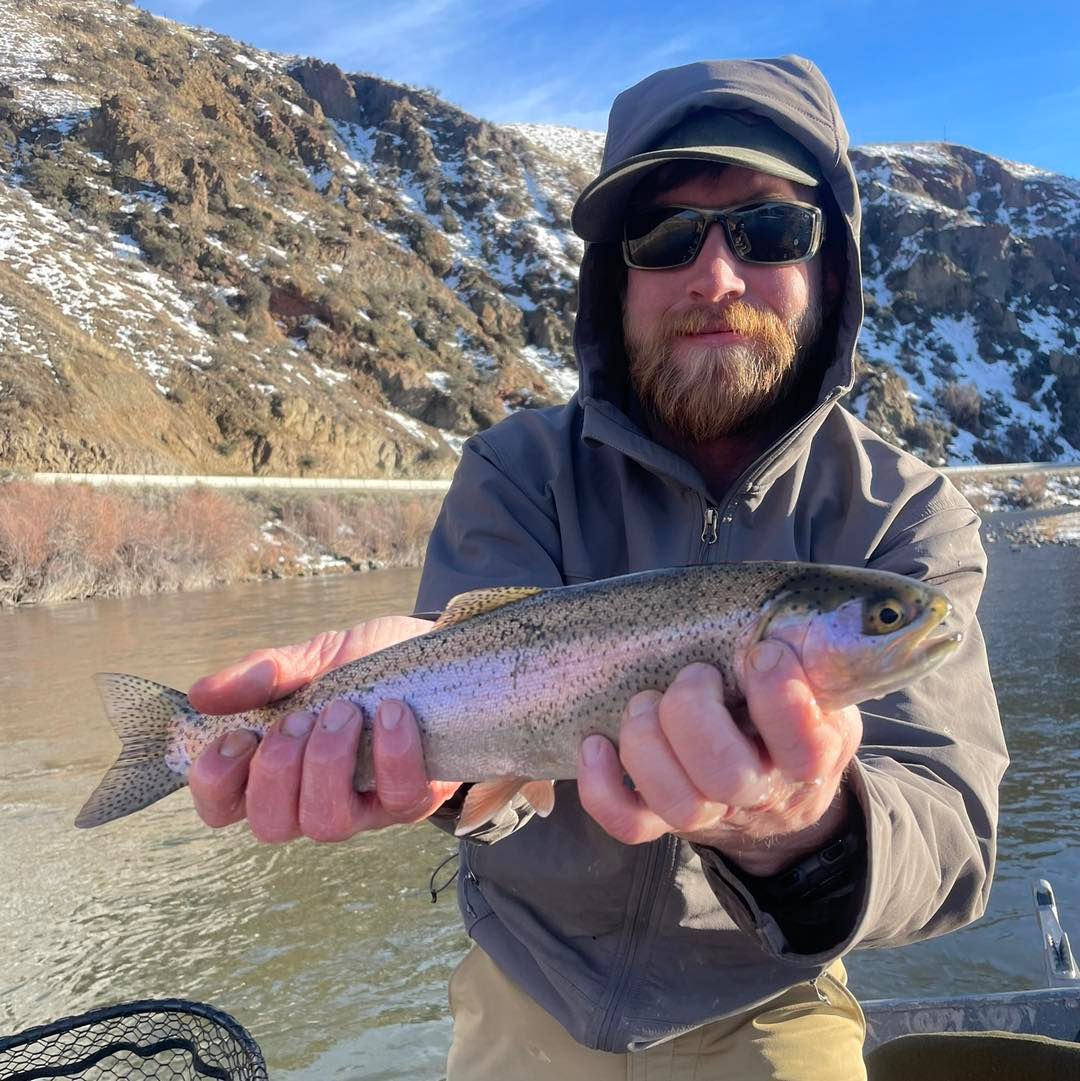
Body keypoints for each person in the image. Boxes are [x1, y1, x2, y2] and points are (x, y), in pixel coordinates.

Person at [187, 56, 1008, 1079]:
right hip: (526, 980)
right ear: (614, 281)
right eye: (665, 238)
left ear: (828, 269)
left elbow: (953, 837)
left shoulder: (912, 514)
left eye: (767, 230)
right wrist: (426, 769)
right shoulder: (515, 466)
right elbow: (482, 781)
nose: (715, 277)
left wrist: (800, 826)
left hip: (770, 996)